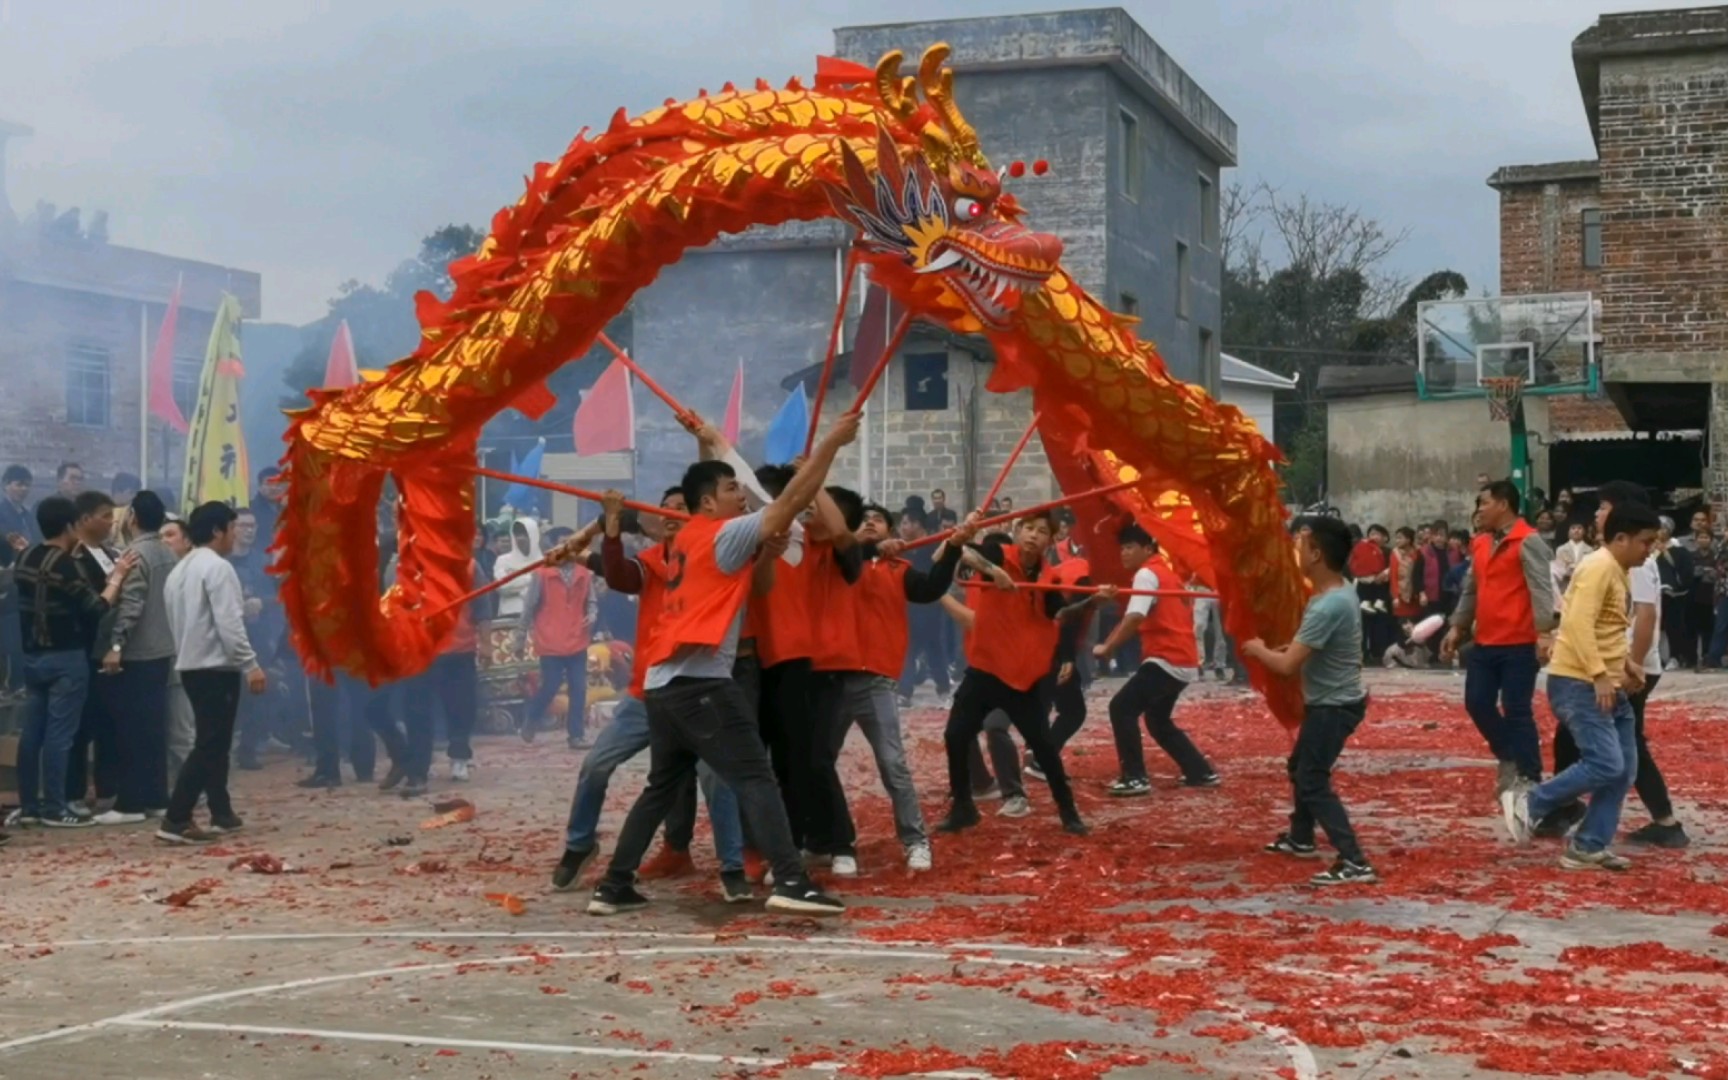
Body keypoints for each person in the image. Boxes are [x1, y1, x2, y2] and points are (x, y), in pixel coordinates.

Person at [585, 413, 860, 918]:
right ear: (710, 503)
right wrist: (832, 446)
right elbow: (792, 501)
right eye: (733, 487)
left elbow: (752, 588)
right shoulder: (723, 533)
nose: (742, 494)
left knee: (661, 786)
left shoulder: (690, 537)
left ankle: (614, 885)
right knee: (756, 776)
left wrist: (766, 556)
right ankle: (792, 881)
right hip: (700, 683)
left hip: (666, 686)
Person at [550, 488, 746, 899]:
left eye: (681, 508)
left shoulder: (718, 559)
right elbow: (619, 573)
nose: (671, 514)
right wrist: (606, 529)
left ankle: (732, 867)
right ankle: (580, 844)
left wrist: (584, 547)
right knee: (596, 765)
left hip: (700, 691)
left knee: (715, 778)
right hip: (646, 693)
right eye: (666, 509)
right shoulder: (655, 561)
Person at [1500, 502, 1662, 871]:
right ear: (1620, 538)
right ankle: (1532, 802)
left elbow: (1605, 628)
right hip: (1580, 682)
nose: (1649, 548)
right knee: (1606, 763)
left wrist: (1625, 664)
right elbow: (1576, 624)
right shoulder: (1599, 567)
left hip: (1604, 682)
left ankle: (1588, 845)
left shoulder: (1617, 568)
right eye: (1645, 541)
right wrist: (1600, 674)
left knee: (1622, 771)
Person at [811, 499, 967, 874]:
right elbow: (845, 550)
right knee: (817, 765)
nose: (869, 524)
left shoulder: (900, 569)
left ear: (892, 532)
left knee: (893, 765)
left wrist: (955, 548)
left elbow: (930, 589)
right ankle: (832, 844)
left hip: (877, 679)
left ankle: (915, 841)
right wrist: (865, 548)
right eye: (862, 520)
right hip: (831, 679)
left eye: (878, 521)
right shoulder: (833, 563)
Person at [1544, 483, 1688, 848]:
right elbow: (1586, 622)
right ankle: (1576, 823)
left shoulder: (1628, 562)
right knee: (1615, 757)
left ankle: (1545, 805)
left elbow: (1641, 616)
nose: (1596, 515)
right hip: (1597, 670)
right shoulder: (1606, 564)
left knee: (1617, 758)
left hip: (1607, 671)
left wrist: (1629, 664)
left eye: (1603, 507)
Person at [936, 510, 1094, 836]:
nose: (1033, 536)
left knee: (1044, 748)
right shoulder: (999, 553)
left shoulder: (1048, 578)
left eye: (1041, 532)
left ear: (1050, 541)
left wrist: (1095, 601)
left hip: (1024, 678)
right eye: (1028, 529)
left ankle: (1068, 811)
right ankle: (964, 807)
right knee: (955, 735)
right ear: (1017, 531)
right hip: (985, 669)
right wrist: (994, 572)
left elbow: (1060, 613)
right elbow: (962, 553)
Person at [1244, 516, 1377, 886]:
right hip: (1335, 700)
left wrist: (1257, 649)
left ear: (1316, 554)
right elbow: (1310, 648)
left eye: (1301, 545)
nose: (1296, 552)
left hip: (1333, 707)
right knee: (1300, 766)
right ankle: (1301, 837)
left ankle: (1354, 860)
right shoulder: (1337, 592)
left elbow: (1287, 667)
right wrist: (1289, 648)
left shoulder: (1326, 605)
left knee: (1312, 778)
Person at [8, 496, 134, 829]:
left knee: (32, 734)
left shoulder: (27, 556)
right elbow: (96, 606)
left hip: (32, 658)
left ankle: (31, 806)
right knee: (60, 736)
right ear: (70, 526)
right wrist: (117, 577)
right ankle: (55, 806)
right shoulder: (65, 563)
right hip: (66, 657)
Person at [158, 501, 267, 845]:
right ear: (218, 530)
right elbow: (230, 623)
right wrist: (249, 664)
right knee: (210, 744)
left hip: (191, 664)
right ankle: (176, 817)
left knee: (214, 741)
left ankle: (221, 811)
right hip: (216, 666)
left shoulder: (180, 570)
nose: (236, 535)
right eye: (233, 528)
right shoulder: (218, 568)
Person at [1442, 481, 1557, 792]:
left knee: (1517, 708)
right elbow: (1471, 588)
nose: (1479, 509)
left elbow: (1541, 590)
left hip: (1519, 641)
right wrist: (1458, 626)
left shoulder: (1528, 541)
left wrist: (1545, 632)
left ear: (1503, 504)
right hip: (1486, 640)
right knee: (1477, 702)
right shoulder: (1480, 543)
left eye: (1484, 503)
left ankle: (1530, 776)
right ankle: (1508, 755)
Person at [1091, 523, 1218, 795]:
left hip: (1166, 658)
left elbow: (1135, 616)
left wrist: (1108, 647)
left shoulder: (1147, 574)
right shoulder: (1164, 573)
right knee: (1157, 720)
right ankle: (1199, 771)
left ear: (1147, 549)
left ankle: (1135, 776)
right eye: (1121, 548)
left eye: (1129, 547)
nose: (1123, 553)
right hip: (1182, 659)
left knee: (1121, 708)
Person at [93, 490, 177, 825]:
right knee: (155, 728)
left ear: (133, 519)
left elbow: (131, 604)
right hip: (163, 649)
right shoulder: (168, 553)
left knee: (130, 729)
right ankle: (157, 797)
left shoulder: (135, 555)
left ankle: (129, 804)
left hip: (138, 652)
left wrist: (116, 645)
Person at [66, 491, 125, 815]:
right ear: (85, 518)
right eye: (104, 516)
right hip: (85, 649)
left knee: (107, 724)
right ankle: (73, 791)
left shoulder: (109, 552)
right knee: (80, 726)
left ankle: (108, 788)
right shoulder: (74, 557)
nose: (110, 523)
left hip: (110, 649)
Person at [520, 525, 598, 748]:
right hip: (550, 640)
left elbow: (591, 602)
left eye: (571, 542)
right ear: (552, 545)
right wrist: (519, 637)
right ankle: (532, 716)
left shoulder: (584, 573)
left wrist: (591, 616)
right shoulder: (542, 574)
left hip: (577, 637)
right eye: (563, 542)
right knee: (551, 684)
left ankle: (576, 735)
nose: (568, 547)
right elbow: (529, 608)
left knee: (578, 687)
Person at [895, 508, 953, 706]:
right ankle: (904, 692)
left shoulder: (933, 547)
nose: (902, 528)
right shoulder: (905, 549)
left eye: (905, 523)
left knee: (934, 648)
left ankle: (944, 690)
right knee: (909, 648)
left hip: (930, 605)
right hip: (909, 605)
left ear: (917, 525)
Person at [159, 518, 198, 777]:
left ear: (187, 541)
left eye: (171, 535)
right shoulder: (160, 570)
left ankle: (195, 785)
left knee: (182, 730)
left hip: (185, 658)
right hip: (161, 657)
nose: (164, 540)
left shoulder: (194, 573)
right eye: (161, 535)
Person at [492, 517, 542, 618]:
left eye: (524, 534)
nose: (520, 538)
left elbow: (545, 590)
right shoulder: (503, 560)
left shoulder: (544, 562)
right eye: (517, 534)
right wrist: (533, 577)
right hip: (509, 615)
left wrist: (515, 577)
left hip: (538, 615)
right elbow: (503, 587)